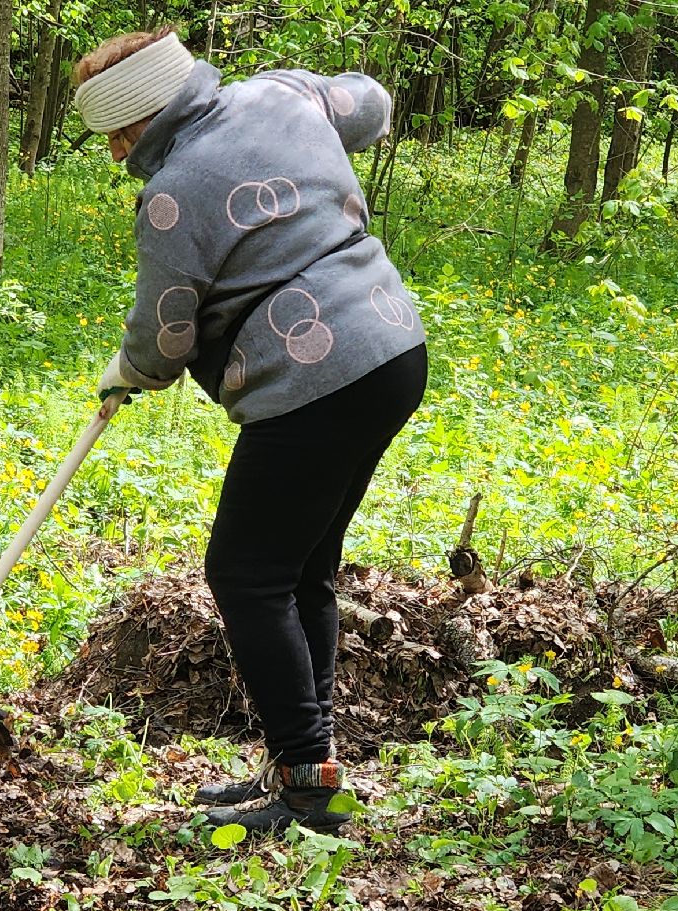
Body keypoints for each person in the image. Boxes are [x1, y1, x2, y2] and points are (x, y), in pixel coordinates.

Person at [75, 28, 428, 837]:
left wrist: (126, 373)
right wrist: (310, 110)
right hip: (391, 347)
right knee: (301, 569)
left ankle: (306, 786)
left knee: (245, 574)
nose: (115, 152)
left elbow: (166, 334)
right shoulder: (281, 94)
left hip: (317, 380)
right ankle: (307, 766)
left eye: (116, 136)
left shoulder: (171, 193)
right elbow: (370, 104)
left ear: (140, 121)